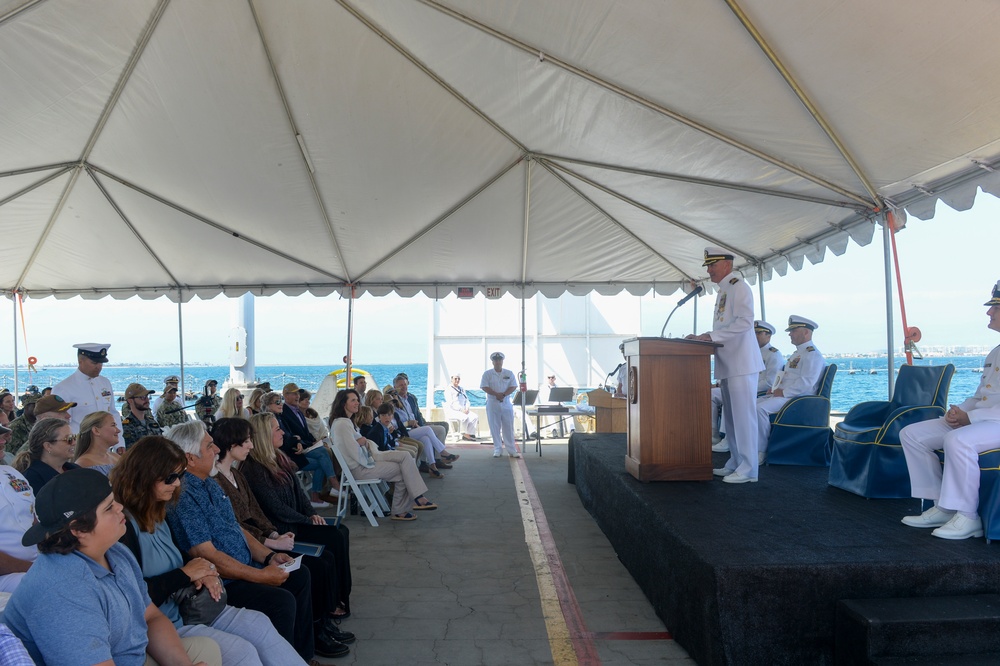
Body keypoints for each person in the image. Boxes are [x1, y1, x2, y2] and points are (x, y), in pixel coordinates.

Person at [111, 436, 309, 666]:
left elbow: (190, 553)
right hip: (166, 622)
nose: (177, 484)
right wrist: (187, 574)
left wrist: (204, 571)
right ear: (144, 476)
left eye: (180, 475)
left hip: (192, 607)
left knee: (258, 623)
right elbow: (133, 597)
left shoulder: (157, 512)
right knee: (242, 651)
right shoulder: (124, 528)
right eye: (170, 478)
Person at [3, 468, 222, 666]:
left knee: (208, 649)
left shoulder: (115, 552)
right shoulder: (61, 588)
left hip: (125, 655)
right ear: (78, 529)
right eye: (109, 508)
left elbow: (150, 616)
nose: (120, 508)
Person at [163, 420, 340, 661]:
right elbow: (206, 554)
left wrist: (269, 557)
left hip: (249, 565)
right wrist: (261, 575)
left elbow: (236, 528)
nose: (216, 450)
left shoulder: (208, 483)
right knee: (281, 601)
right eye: (209, 446)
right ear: (190, 458)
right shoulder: (184, 495)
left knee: (300, 574)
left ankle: (302, 654)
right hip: (226, 582)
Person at [237, 416, 355, 641]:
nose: (283, 433)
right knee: (325, 557)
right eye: (277, 429)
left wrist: (312, 513)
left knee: (340, 533)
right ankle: (325, 614)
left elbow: (300, 493)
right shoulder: (254, 469)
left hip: (297, 522)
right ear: (264, 436)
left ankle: (339, 597)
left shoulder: (279, 458)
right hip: (285, 529)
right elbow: (276, 508)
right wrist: (306, 519)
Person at [898, 281, 1000, 540]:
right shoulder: (996, 351)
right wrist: (957, 412)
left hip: (994, 421)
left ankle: (968, 516)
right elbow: (981, 396)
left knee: (957, 440)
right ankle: (942, 506)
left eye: (995, 308)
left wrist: (972, 418)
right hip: (981, 418)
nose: (989, 313)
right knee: (912, 434)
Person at [687, 247, 764, 484]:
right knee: (729, 419)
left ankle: (749, 470)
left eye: (712, 265)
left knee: (744, 418)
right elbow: (723, 328)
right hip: (728, 363)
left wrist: (709, 337)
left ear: (727, 265)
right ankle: (735, 463)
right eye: (708, 266)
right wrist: (706, 336)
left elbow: (744, 323)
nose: (708, 270)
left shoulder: (739, 287)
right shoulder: (723, 291)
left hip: (741, 362)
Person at [330, 389, 437, 521]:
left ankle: (413, 501)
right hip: (360, 468)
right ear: (343, 404)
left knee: (405, 457)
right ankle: (407, 505)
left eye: (357, 400)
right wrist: (363, 442)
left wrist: (363, 442)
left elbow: (360, 443)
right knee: (404, 469)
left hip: (366, 460)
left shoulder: (345, 422)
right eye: (353, 400)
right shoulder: (342, 424)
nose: (357, 403)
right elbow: (354, 450)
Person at [754, 315, 826, 463]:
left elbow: (807, 382)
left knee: (759, 410)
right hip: (786, 396)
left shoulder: (813, 355)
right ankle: (750, 446)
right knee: (750, 405)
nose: (790, 334)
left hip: (798, 399)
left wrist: (784, 392)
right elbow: (787, 378)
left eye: (794, 330)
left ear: (806, 332)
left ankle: (761, 451)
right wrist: (775, 389)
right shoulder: (798, 353)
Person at [712, 320, 785, 452]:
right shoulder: (748, 352)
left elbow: (770, 382)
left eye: (759, 333)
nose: (755, 336)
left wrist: (745, 387)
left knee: (732, 399)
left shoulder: (773, 354)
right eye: (753, 333)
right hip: (742, 388)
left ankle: (729, 440)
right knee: (714, 395)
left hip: (756, 391)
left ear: (768, 336)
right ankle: (714, 436)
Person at [52, 343, 126, 448]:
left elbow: (113, 414)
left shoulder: (105, 383)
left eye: (101, 363)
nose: (99, 367)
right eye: (94, 362)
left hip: (105, 448)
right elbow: (61, 424)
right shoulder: (63, 389)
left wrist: (119, 444)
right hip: (79, 448)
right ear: (80, 361)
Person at [275, 384, 338, 506]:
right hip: (293, 452)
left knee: (322, 459)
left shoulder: (297, 411)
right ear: (285, 395)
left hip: (303, 447)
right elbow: (291, 435)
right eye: (294, 394)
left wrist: (314, 441)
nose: (297, 396)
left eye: (298, 394)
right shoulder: (284, 413)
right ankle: (334, 483)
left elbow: (305, 433)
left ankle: (316, 495)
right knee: (323, 453)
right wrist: (303, 443)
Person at [13, 417, 81, 493]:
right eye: (69, 439)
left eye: (74, 437)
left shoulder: (75, 470)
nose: (74, 443)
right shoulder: (32, 479)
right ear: (48, 446)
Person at [0, 462, 36, 593]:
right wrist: (38, 568)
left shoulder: (10, 473)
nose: (5, 440)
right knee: (48, 585)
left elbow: (35, 520)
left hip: (37, 563)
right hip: (6, 577)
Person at [480, 352, 519, 458]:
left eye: (499, 360)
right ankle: (497, 449)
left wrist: (503, 394)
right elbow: (484, 386)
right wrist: (496, 394)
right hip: (493, 403)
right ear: (492, 362)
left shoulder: (509, 373)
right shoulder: (487, 374)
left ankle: (512, 449)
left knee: (508, 427)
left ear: (502, 361)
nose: (498, 362)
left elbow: (513, 386)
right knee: (494, 427)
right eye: (495, 360)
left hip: (506, 402)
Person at [393, 374, 449, 444]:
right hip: (406, 429)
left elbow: (418, 414)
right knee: (430, 429)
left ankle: (438, 455)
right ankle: (443, 452)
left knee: (434, 433)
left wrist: (421, 425)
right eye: (401, 385)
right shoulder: (394, 401)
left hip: (417, 425)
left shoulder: (411, 398)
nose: (404, 387)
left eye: (405, 384)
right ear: (395, 387)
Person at [122, 382, 163, 448]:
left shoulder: (153, 423)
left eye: (147, 396)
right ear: (130, 401)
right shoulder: (126, 426)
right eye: (142, 397)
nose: (147, 400)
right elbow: (131, 452)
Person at [444, 374, 479, 441]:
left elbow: (467, 400)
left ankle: (468, 434)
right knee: (465, 417)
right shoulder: (448, 390)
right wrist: (461, 409)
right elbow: (451, 403)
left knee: (475, 416)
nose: (457, 380)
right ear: (451, 379)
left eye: (458, 379)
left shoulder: (461, 389)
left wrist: (467, 408)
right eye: (455, 378)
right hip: (454, 410)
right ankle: (467, 434)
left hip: (464, 409)